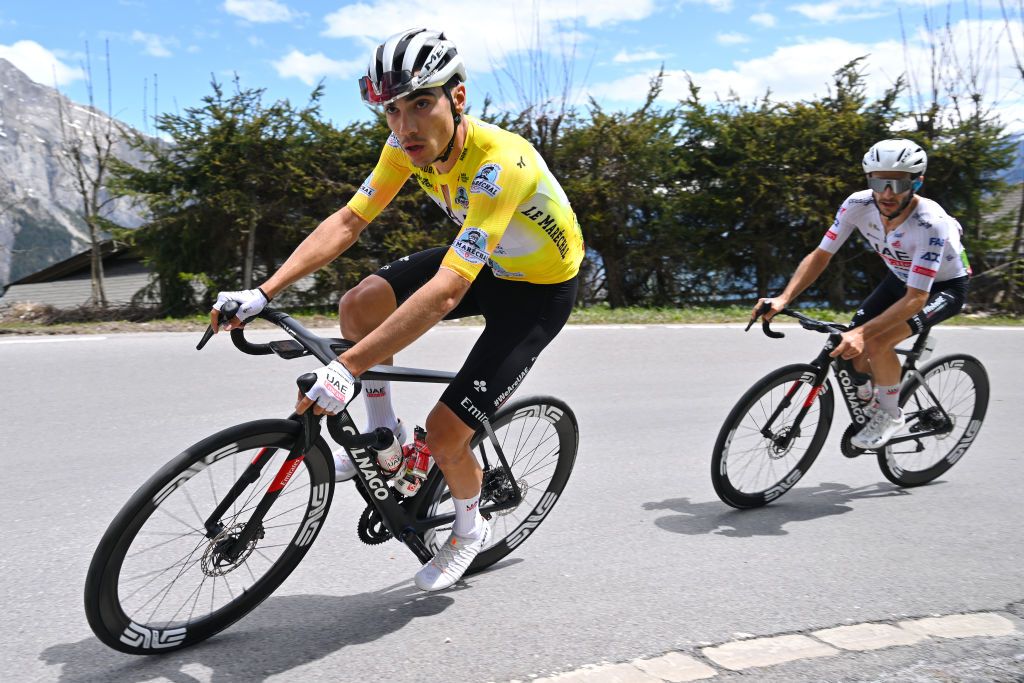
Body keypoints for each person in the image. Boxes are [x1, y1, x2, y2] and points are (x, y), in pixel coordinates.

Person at [209, 28, 584, 591]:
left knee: (445, 433)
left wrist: (348, 368)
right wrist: (264, 292)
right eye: (391, 111)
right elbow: (348, 221)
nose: (405, 127)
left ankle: (467, 528)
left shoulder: (501, 163)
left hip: (536, 291)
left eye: (420, 105)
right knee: (358, 304)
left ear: (456, 99)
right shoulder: (402, 147)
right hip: (488, 260)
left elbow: (449, 290)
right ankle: (385, 442)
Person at [751, 138, 970, 450]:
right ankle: (871, 396)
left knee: (876, 341)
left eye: (898, 183)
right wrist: (784, 297)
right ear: (870, 179)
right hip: (900, 279)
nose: (887, 193)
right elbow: (821, 255)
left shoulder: (930, 224)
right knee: (850, 346)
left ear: (916, 182)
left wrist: (863, 334)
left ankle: (891, 413)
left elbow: (916, 299)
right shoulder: (857, 204)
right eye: (879, 182)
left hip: (942, 289)